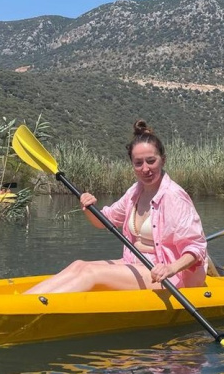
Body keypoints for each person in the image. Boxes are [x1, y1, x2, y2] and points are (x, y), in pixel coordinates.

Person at [17, 120, 208, 294]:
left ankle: (29, 307)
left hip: (168, 275)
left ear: (162, 160)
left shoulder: (174, 196)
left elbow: (197, 247)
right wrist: (88, 207)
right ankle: (25, 301)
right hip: (135, 264)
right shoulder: (135, 191)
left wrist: (171, 268)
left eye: (151, 161)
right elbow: (104, 221)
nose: (145, 169)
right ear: (132, 164)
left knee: (92, 273)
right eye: (138, 163)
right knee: (80, 265)